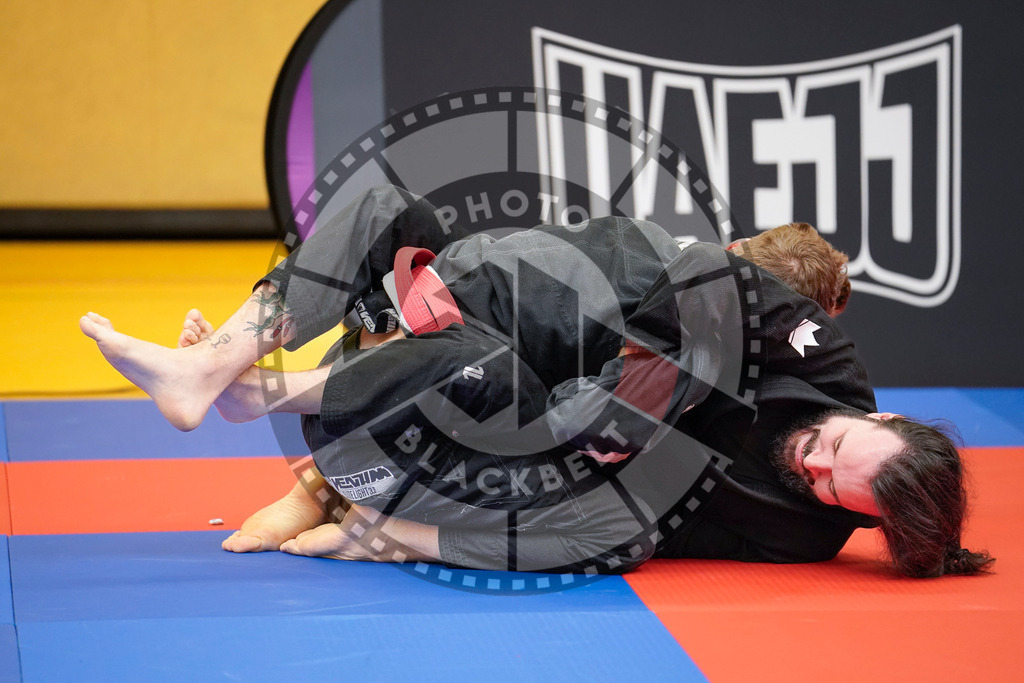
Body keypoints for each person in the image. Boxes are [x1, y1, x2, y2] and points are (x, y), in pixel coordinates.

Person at [81, 185, 992, 579]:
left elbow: (609, 517)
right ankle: (225, 366)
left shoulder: (760, 515)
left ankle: (275, 426)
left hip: (427, 437)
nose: (816, 465)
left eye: (835, 487)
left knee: (494, 372)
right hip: (401, 378)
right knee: (379, 209)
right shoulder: (737, 334)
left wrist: (391, 537)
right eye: (835, 448)